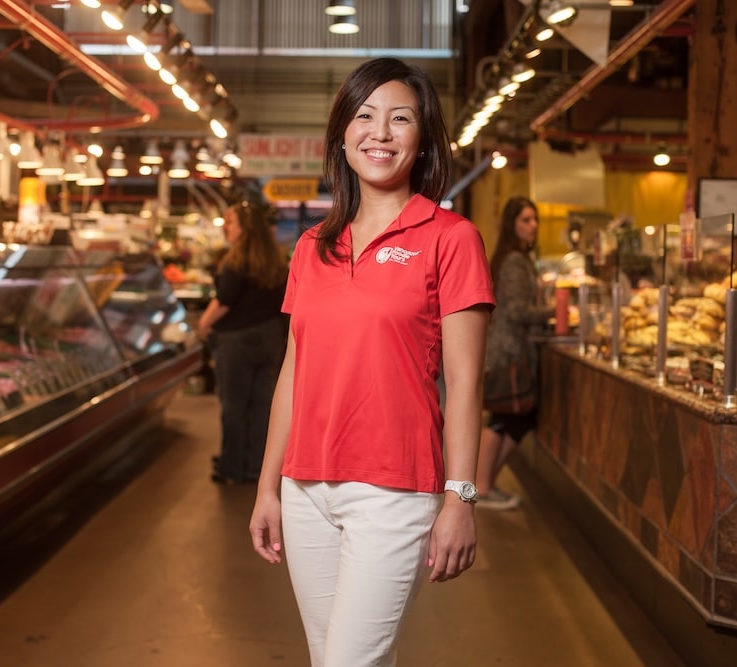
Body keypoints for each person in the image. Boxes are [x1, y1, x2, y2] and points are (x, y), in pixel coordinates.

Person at [248, 57, 495, 666]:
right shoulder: (312, 247)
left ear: (423, 139)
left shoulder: (450, 237)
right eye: (364, 117)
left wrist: (460, 498)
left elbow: (465, 383)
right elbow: (294, 370)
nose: (379, 133)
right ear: (342, 135)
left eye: (400, 119)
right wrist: (267, 486)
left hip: (392, 489)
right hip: (305, 490)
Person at [197, 202, 289, 485]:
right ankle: (255, 468)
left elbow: (225, 300)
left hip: (235, 340)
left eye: (231, 222)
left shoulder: (236, 260)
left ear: (245, 229)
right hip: (270, 337)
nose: (227, 227)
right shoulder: (277, 258)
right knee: (262, 406)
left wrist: (203, 324)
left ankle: (231, 467)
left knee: (234, 404)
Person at [475, 196, 554, 510]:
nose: (532, 225)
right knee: (505, 417)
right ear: (512, 224)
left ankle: (484, 483)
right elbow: (517, 309)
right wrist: (556, 312)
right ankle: (482, 485)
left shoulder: (512, 257)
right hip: (508, 351)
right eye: (525, 219)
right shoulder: (514, 261)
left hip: (505, 349)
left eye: (534, 219)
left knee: (510, 418)